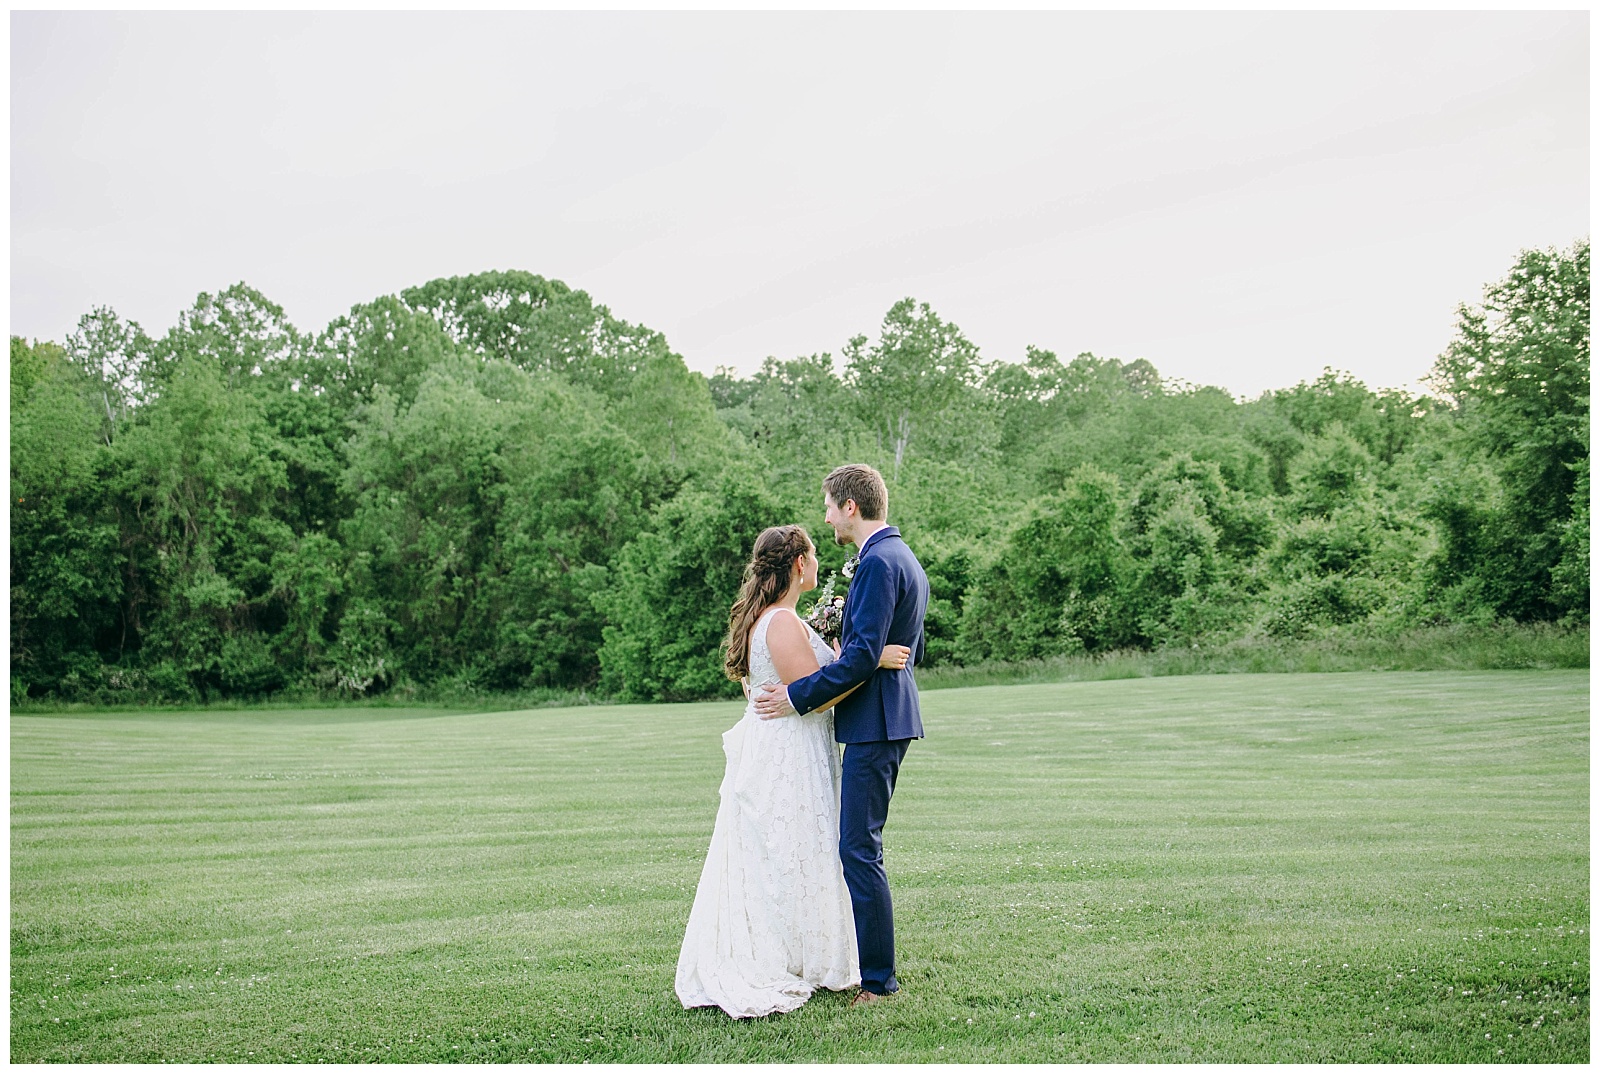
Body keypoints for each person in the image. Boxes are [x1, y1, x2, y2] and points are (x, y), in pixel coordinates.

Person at [675, 524, 912, 1019]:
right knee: (786, 854)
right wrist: (873, 661)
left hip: (791, 746)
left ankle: (804, 950)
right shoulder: (780, 623)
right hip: (788, 754)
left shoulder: (781, 618)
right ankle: (781, 956)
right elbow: (819, 692)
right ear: (799, 565)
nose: (820, 562)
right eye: (814, 555)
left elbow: (809, 682)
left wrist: (848, 657)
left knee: (793, 853)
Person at [754, 464, 928, 1006]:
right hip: (884, 716)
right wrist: (869, 655)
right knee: (859, 846)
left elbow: (860, 658)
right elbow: (889, 651)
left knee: (858, 849)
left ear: (850, 506)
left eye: (829, 505)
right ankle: (869, 971)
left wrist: (796, 695)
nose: (826, 515)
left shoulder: (877, 561)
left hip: (876, 721)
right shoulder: (901, 556)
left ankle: (877, 983)